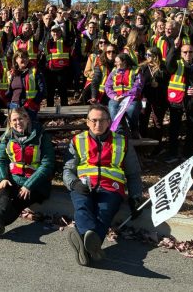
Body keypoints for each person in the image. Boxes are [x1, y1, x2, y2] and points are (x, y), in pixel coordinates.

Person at [63, 105, 144, 266]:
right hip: (83, 186)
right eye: (94, 120)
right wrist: (74, 183)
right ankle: (92, 244)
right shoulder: (77, 141)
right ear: (87, 122)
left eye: (102, 120)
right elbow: (68, 170)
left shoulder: (122, 142)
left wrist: (136, 197)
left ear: (109, 122)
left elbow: (133, 174)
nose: (97, 124)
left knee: (104, 213)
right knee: (83, 207)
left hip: (111, 188)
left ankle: (84, 244)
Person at [0, 108, 55, 237]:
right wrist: (3, 178)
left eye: (21, 119)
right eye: (14, 120)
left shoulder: (41, 136)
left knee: (18, 202)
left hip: (36, 184)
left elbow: (47, 165)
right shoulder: (7, 137)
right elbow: (0, 160)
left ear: (27, 119)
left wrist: (29, 185)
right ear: (10, 123)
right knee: (4, 195)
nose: (18, 122)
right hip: (13, 178)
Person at [164, 42, 193, 162]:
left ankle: (187, 154)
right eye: (185, 52)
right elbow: (168, 63)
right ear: (181, 53)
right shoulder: (176, 64)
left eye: (190, 52)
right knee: (174, 128)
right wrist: (174, 47)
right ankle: (172, 153)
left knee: (192, 129)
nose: (188, 54)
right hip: (177, 101)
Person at [105, 53, 142, 138]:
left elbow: (138, 86)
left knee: (131, 110)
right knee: (112, 108)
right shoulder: (114, 71)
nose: (115, 64)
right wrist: (114, 96)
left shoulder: (136, 71)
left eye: (117, 62)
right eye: (115, 62)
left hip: (132, 98)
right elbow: (108, 86)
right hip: (116, 98)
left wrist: (125, 95)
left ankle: (134, 130)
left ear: (124, 62)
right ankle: (119, 131)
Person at [139, 47, 169, 151]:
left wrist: (159, 85)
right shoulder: (143, 67)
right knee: (143, 119)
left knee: (158, 122)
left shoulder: (163, 67)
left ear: (156, 56)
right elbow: (139, 83)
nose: (147, 57)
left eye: (149, 55)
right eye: (146, 55)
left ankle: (158, 146)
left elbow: (167, 83)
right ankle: (142, 146)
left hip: (158, 98)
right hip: (145, 99)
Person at [5, 49, 45, 122]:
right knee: (16, 130)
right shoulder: (12, 73)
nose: (25, 59)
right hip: (13, 106)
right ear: (16, 59)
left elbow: (42, 90)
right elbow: (8, 91)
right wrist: (8, 103)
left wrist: (34, 103)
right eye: (22, 57)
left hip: (29, 107)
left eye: (26, 57)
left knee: (29, 129)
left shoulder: (35, 71)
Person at [44, 24, 70, 107]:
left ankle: (65, 107)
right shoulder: (47, 42)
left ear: (60, 32)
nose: (55, 33)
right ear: (51, 33)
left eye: (57, 31)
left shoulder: (65, 41)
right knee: (50, 91)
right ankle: (49, 107)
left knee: (62, 91)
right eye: (53, 31)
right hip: (50, 70)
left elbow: (71, 34)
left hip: (62, 70)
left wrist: (65, 20)